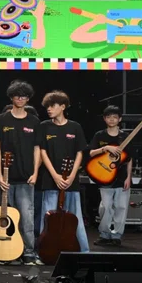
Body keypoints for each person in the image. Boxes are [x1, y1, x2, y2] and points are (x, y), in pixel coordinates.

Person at [0, 80, 43, 265]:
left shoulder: (34, 121)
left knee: (27, 218)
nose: (20, 99)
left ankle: (28, 252)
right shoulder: (1, 120)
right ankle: (2, 252)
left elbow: (37, 148)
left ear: (28, 99)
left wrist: (35, 173)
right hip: (5, 178)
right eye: (17, 96)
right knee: (3, 217)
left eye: (24, 96)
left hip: (26, 178)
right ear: (11, 97)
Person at [38, 91, 89, 252]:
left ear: (63, 107)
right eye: (47, 106)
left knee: (75, 217)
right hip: (50, 179)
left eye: (52, 106)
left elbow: (80, 153)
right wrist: (55, 175)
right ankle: (44, 252)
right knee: (47, 218)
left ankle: (83, 251)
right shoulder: (44, 126)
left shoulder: (75, 127)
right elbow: (42, 152)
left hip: (70, 181)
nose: (49, 109)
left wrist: (72, 175)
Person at [89, 105, 133, 247]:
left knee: (121, 207)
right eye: (109, 117)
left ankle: (117, 236)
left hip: (121, 177)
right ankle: (104, 234)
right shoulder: (99, 135)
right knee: (105, 207)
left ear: (119, 119)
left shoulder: (125, 137)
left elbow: (129, 159)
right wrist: (105, 148)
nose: (112, 119)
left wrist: (129, 177)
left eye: (115, 117)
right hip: (105, 176)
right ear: (104, 119)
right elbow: (91, 153)